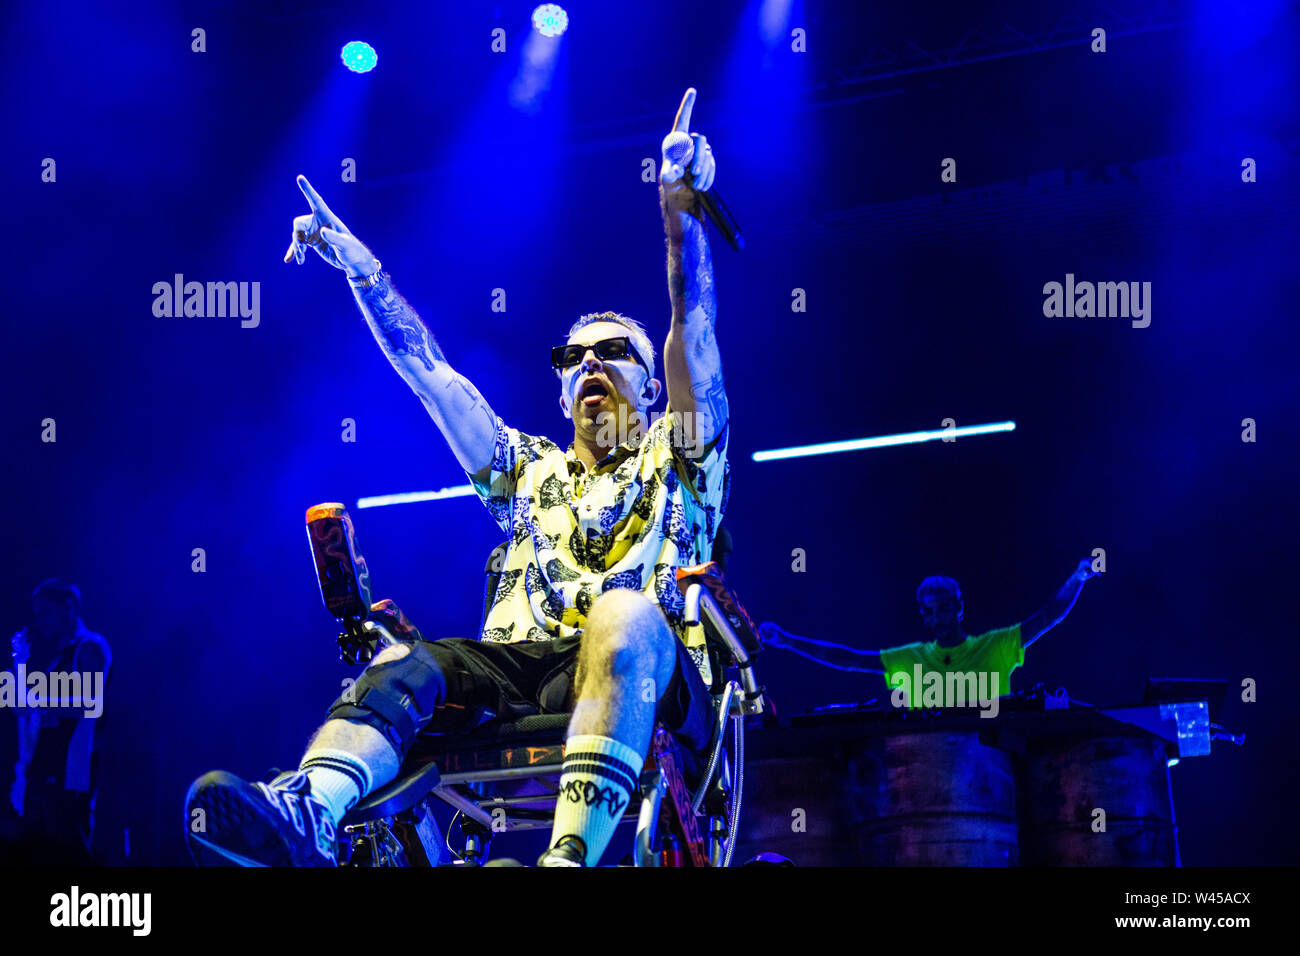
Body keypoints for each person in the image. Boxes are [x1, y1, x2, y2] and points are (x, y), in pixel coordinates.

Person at [186, 89, 731, 867]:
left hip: (650, 672)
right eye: (573, 358)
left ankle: (566, 860)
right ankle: (308, 812)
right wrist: (361, 270)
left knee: (623, 613)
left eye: (612, 353)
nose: (589, 365)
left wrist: (680, 214)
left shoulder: (681, 455)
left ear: (649, 387)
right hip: (522, 667)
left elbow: (694, 330)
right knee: (401, 660)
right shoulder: (527, 471)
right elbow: (431, 377)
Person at [762, 560, 1100, 708]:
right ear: (923, 616)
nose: (937, 617)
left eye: (943, 608)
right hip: (927, 770)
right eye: (929, 611)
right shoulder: (911, 659)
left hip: (989, 767)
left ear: (959, 608)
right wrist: (788, 640)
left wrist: (1077, 578)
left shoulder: (995, 647)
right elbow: (848, 659)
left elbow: (1047, 616)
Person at [8, 579, 111, 863]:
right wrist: (18, 662)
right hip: (42, 770)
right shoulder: (58, 658)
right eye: (37, 614)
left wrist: (37, 704)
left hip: (71, 774)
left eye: (46, 612)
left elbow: (89, 704)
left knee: (68, 855)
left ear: (69, 608)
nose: (40, 621)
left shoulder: (90, 648)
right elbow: (21, 708)